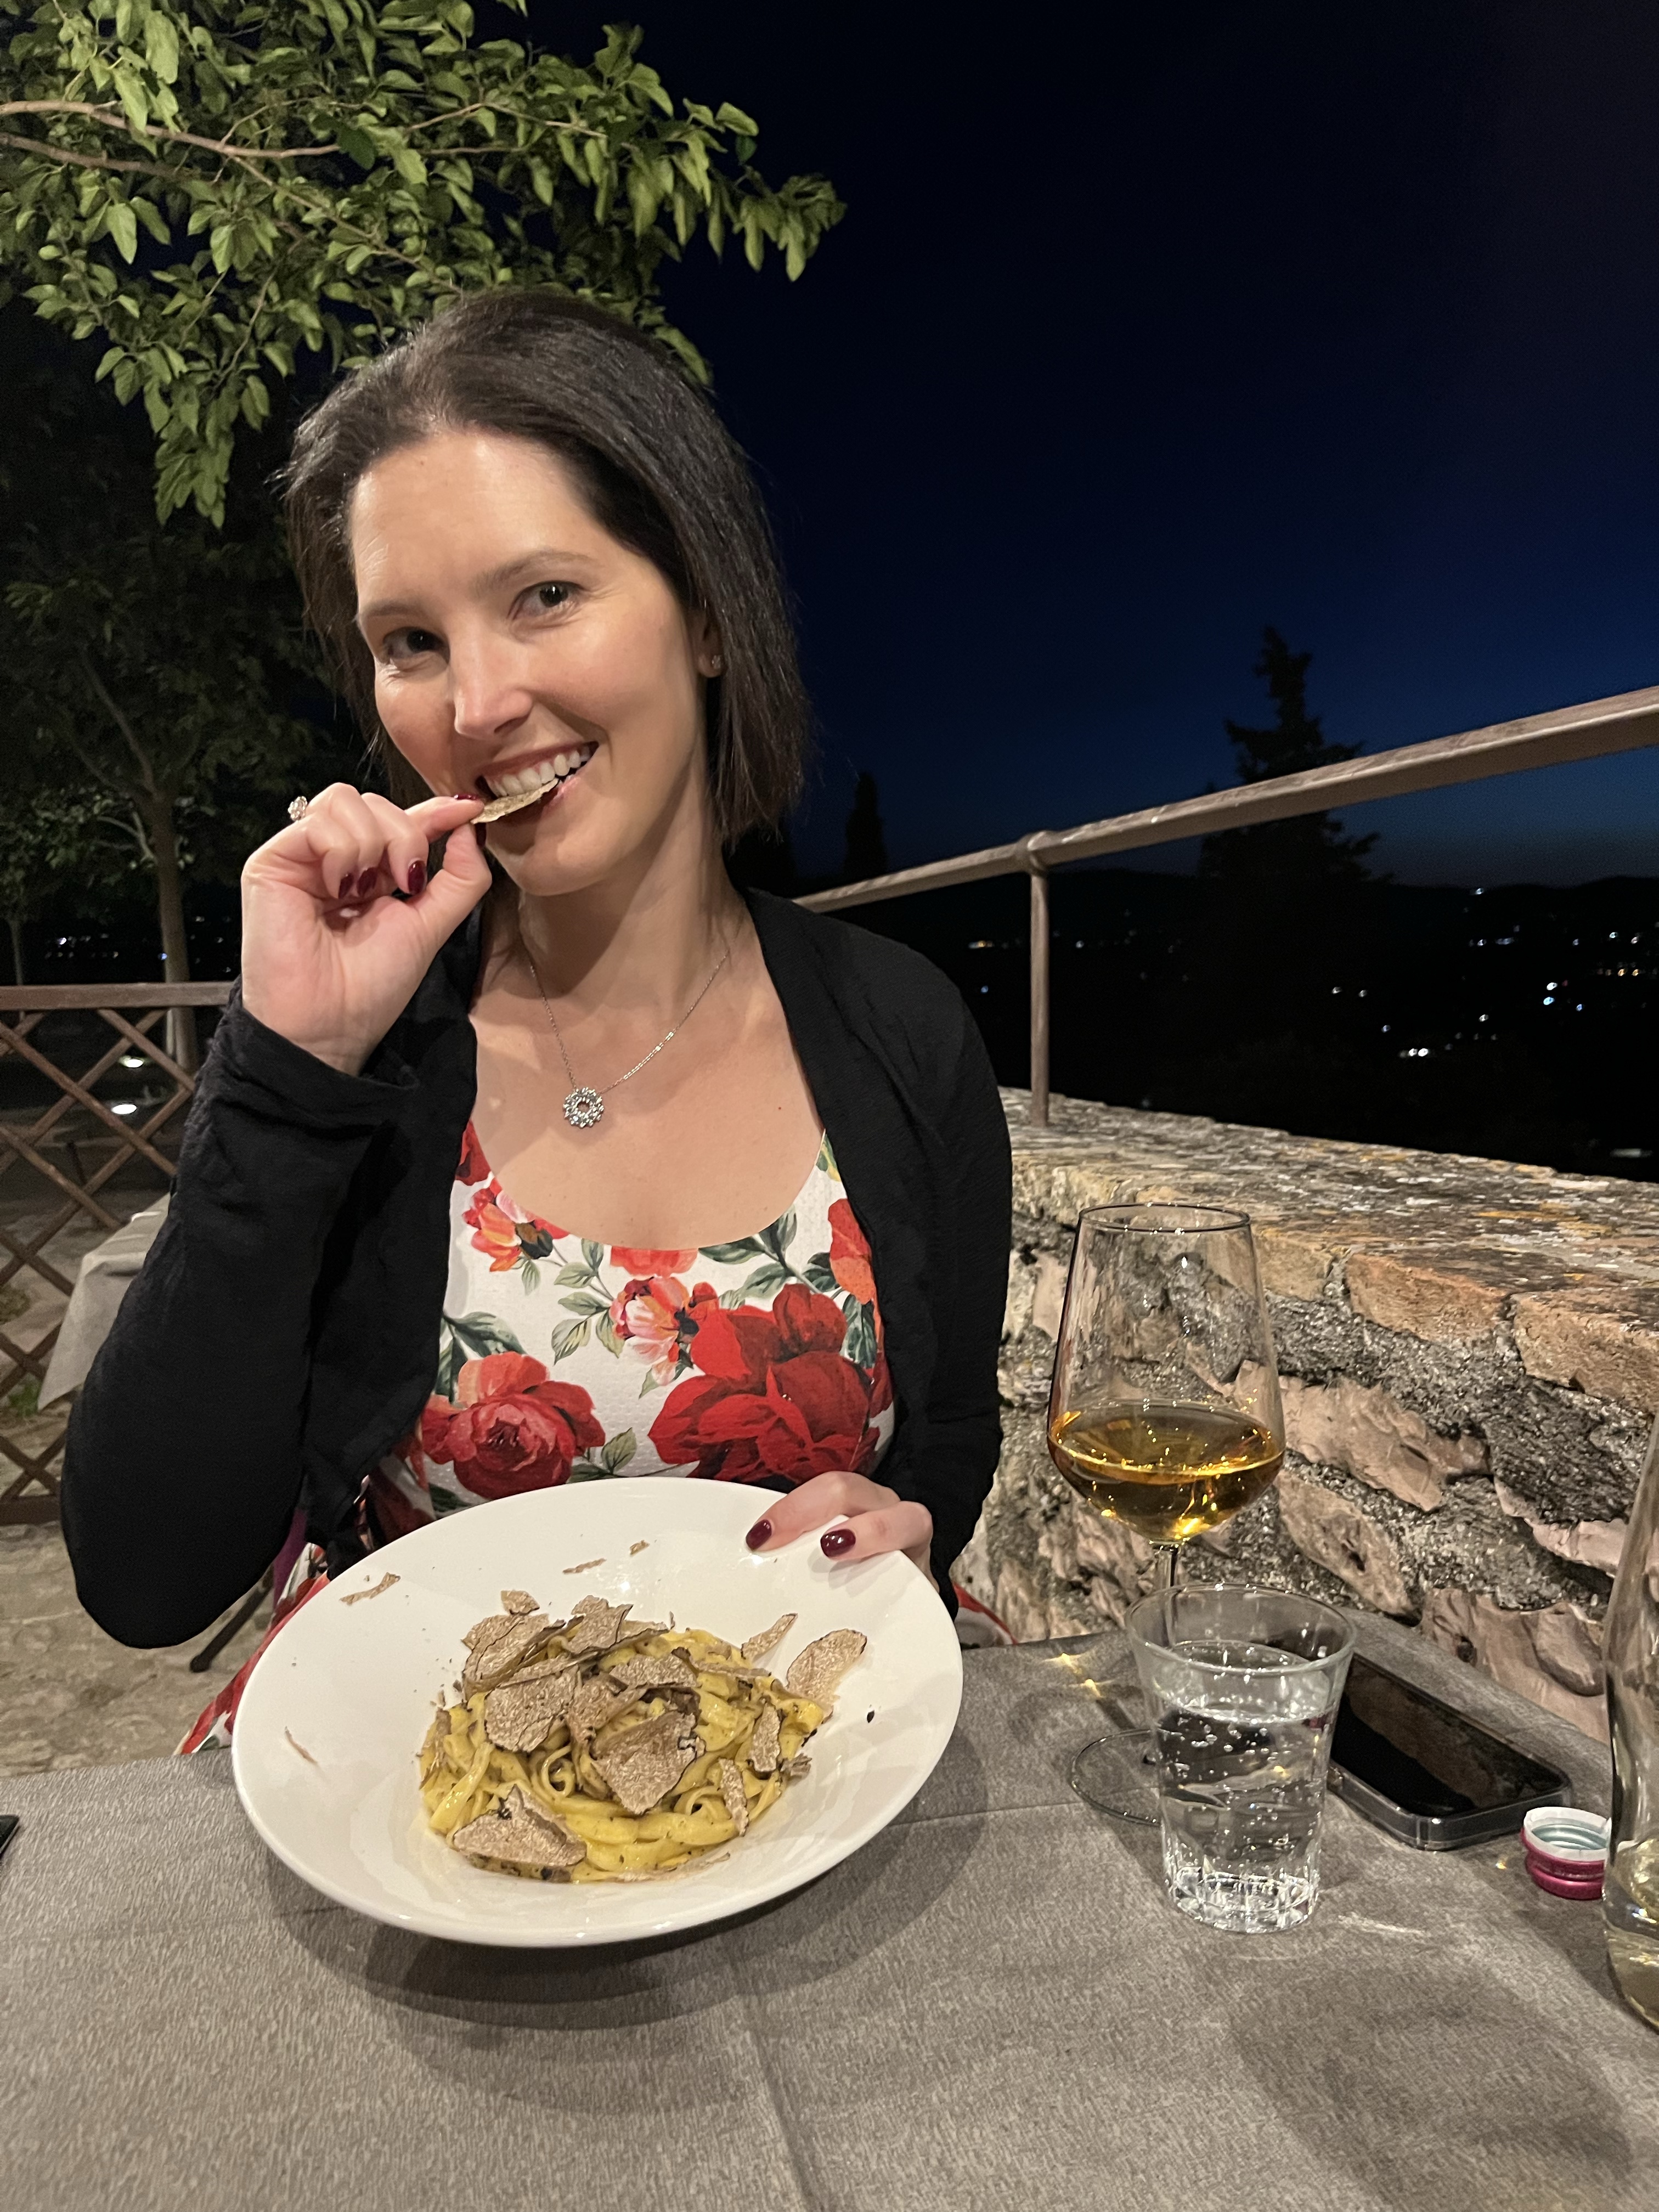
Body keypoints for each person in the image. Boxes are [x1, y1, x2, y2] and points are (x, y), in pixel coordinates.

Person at [60, 292, 1012, 1718]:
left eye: (544, 597)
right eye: (410, 641)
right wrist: (288, 1072)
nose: (476, 704)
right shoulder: (380, 1051)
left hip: (793, 1747)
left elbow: (951, 1435)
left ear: (706, 612)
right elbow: (145, 1582)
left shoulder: (902, 1028)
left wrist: (909, 1522)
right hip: (416, 1768)